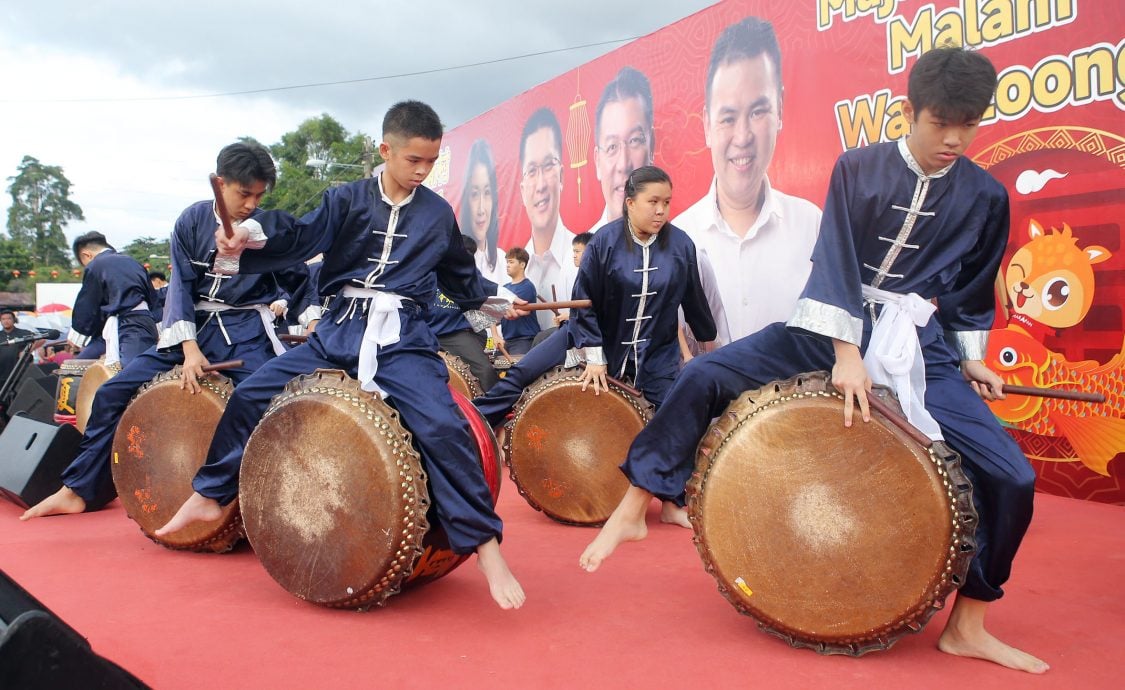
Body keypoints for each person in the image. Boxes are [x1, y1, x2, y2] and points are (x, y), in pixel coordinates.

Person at [580, 47, 1048, 675]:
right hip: (824, 329)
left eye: (970, 124)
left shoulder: (985, 196)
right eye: (941, 123)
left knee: (1013, 478)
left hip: (915, 345)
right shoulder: (860, 168)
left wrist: (971, 358)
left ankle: (968, 623)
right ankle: (637, 504)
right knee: (702, 374)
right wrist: (847, 353)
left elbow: (967, 292)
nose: (955, 139)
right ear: (910, 111)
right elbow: (837, 264)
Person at [154, 101, 526, 610]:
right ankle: (210, 492)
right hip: (338, 328)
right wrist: (249, 237)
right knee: (255, 392)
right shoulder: (346, 200)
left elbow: (459, 274)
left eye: (430, 163)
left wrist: (491, 299)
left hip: (401, 337)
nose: (421, 171)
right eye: (413, 160)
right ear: (386, 150)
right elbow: (298, 235)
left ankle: (485, 545)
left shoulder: (437, 214)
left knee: (442, 426)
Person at [20, 141, 308, 520]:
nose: (252, 203)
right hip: (193, 329)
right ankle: (80, 489)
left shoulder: (264, 228)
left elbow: (301, 277)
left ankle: (274, 507)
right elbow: (181, 287)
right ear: (219, 184)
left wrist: (309, 317)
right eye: (244, 193)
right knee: (112, 393)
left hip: (246, 328)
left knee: (276, 402)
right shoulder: (192, 221)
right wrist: (189, 348)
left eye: (258, 195)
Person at [473, 166, 715, 462]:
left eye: (666, 202)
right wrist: (596, 357)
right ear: (630, 203)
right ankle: (469, 427)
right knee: (523, 371)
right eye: (653, 202)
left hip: (654, 351)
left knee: (671, 422)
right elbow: (584, 302)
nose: (661, 210)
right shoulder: (605, 242)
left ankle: (675, 495)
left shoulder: (680, 246)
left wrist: (706, 342)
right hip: (591, 336)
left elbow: (693, 300)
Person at [672, 16, 821, 345]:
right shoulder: (677, 240)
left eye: (758, 112)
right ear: (708, 123)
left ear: (780, 108)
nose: (742, 137)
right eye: (728, 117)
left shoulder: (812, 225)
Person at [519, 107, 576, 330]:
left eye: (548, 166)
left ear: (561, 175)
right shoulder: (516, 267)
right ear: (523, 189)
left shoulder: (580, 259)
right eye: (532, 170)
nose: (541, 184)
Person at [67, 231, 159, 366]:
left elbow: (87, 307)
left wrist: (77, 335)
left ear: (86, 255)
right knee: (78, 364)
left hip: (129, 327)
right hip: (143, 323)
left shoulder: (96, 265)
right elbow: (153, 299)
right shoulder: (133, 263)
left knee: (131, 377)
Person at [426, 235, 500, 392]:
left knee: (485, 371)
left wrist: (493, 332)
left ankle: (494, 413)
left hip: (456, 334)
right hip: (426, 334)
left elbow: (489, 299)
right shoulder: (428, 270)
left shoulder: (470, 276)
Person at [589, 67, 655, 233]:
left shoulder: (681, 249)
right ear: (597, 162)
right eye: (612, 147)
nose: (624, 164)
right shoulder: (581, 255)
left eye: (634, 141)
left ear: (651, 145)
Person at [459, 139, 507, 284]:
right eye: (474, 194)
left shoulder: (502, 261)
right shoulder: (455, 260)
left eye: (487, 193)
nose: (481, 209)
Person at [497, 247, 539, 355]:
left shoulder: (527, 286)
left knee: (518, 369)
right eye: (507, 262)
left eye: (511, 262)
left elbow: (515, 311)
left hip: (524, 339)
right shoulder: (504, 288)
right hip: (506, 340)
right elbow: (494, 311)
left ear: (522, 265)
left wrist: (499, 308)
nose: (507, 265)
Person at [0, 309, 34, 388]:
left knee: (18, 397)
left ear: (14, 320)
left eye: (9, 318)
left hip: (18, 373)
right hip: (1, 373)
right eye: (3, 319)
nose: (6, 321)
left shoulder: (24, 333)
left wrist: (27, 351)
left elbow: (42, 339)